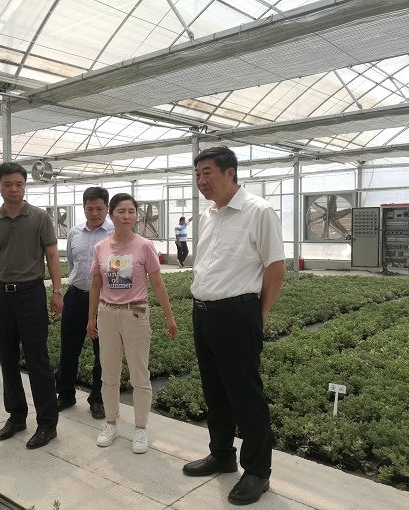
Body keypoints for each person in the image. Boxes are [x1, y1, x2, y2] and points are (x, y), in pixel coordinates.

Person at [182, 146, 285, 506]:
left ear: (230, 172)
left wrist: (260, 313)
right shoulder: (208, 214)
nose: (201, 181)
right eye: (197, 174)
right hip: (204, 312)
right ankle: (222, 453)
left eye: (207, 173)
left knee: (245, 394)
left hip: (237, 313)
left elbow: (276, 267)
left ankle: (257, 471)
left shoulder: (259, 211)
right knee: (215, 391)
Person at [0, 162, 63, 450]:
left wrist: (57, 291)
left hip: (31, 294)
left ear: (25, 186)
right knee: (7, 358)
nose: (14, 189)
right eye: (8, 184)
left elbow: (52, 255)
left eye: (19, 184)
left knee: (37, 360)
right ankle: (16, 416)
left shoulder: (40, 217)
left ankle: (47, 423)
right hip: (0, 295)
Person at [87, 193, 178, 454]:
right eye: (121, 211)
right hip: (107, 314)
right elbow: (96, 284)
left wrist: (169, 316)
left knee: (140, 374)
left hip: (135, 314)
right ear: (111, 215)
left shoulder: (144, 246)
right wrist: (91, 317)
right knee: (108, 374)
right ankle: (111, 424)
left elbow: (157, 282)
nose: (127, 216)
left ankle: (140, 428)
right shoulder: (101, 247)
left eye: (131, 211)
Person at [56, 187, 113, 419]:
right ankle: (65, 394)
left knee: (103, 352)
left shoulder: (115, 232)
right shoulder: (74, 232)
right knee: (69, 348)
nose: (94, 213)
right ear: (83, 208)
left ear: (107, 208)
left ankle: (98, 399)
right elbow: (72, 263)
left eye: (99, 208)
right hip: (76, 296)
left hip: (105, 300)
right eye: (90, 209)